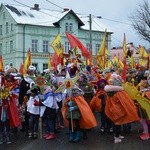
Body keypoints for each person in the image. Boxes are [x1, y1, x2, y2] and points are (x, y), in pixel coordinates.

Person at [18, 65, 36, 135]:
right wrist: (20, 102)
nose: (31, 72)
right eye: (30, 71)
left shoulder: (37, 79)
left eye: (32, 71)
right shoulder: (24, 80)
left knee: (33, 115)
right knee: (25, 115)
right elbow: (21, 92)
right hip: (25, 100)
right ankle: (26, 129)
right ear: (28, 71)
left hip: (34, 100)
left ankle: (33, 129)